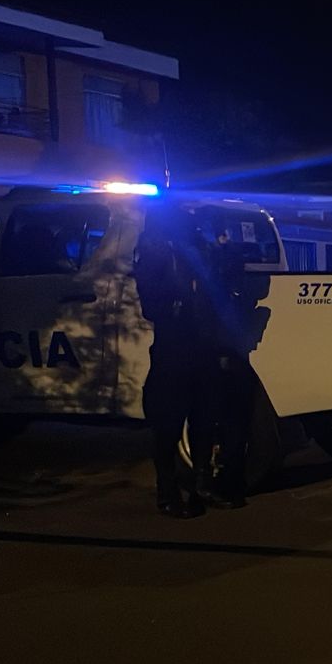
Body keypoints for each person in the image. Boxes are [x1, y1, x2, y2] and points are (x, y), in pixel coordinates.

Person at [136, 216, 213, 518]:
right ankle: (168, 493)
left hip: (198, 348)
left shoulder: (191, 253)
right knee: (168, 427)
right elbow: (152, 306)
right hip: (173, 350)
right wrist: (179, 296)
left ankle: (197, 488)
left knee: (202, 421)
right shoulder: (155, 255)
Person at [192, 226, 263, 510]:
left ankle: (220, 481)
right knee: (228, 422)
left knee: (224, 422)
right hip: (227, 358)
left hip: (224, 358)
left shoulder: (215, 285)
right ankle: (223, 482)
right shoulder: (222, 287)